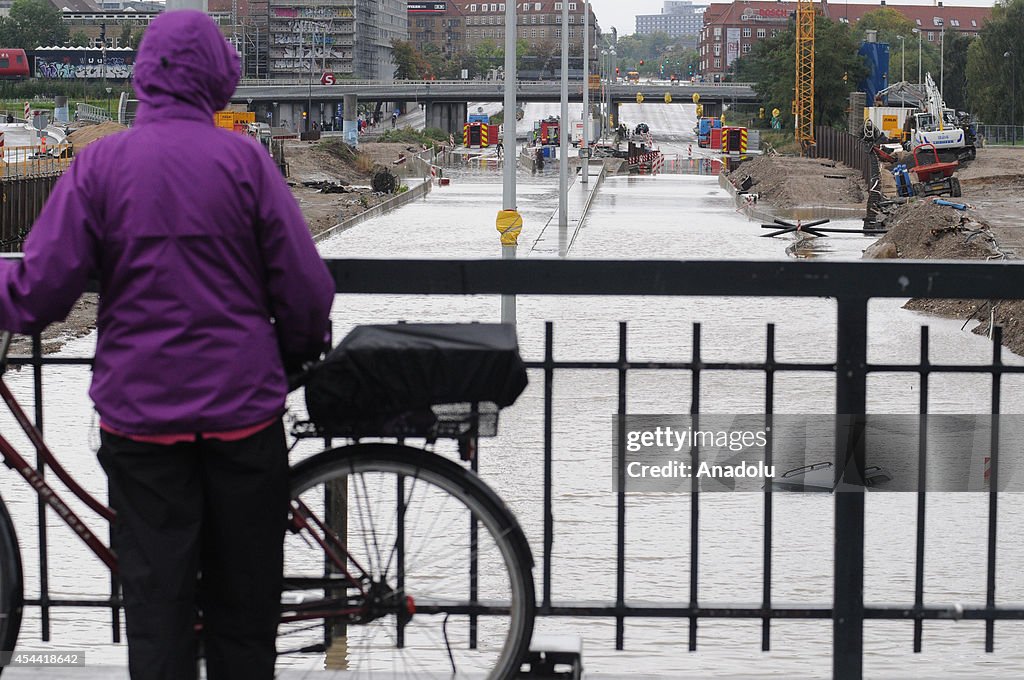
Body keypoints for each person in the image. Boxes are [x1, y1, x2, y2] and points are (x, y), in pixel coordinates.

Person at [0, 11, 334, 680]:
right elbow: (305, 287)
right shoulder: (246, 160)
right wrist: (298, 351)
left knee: (159, 622)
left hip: (144, 428)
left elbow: (41, 290)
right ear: (218, 76)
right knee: (244, 625)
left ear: (144, 74)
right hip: (244, 420)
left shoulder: (100, 164)